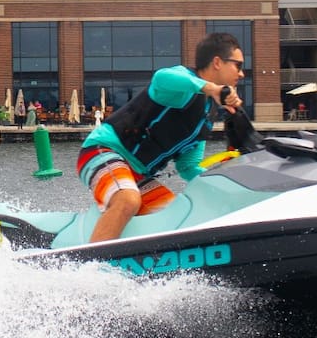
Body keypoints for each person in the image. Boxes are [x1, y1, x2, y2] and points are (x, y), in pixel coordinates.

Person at [77, 32, 248, 243]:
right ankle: (91, 265)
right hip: (102, 151)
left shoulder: (207, 114)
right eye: (238, 66)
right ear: (217, 62)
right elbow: (161, 78)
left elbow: (189, 167)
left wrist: (227, 183)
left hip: (138, 174)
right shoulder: (181, 84)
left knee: (173, 219)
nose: (241, 74)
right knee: (128, 200)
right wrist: (212, 88)